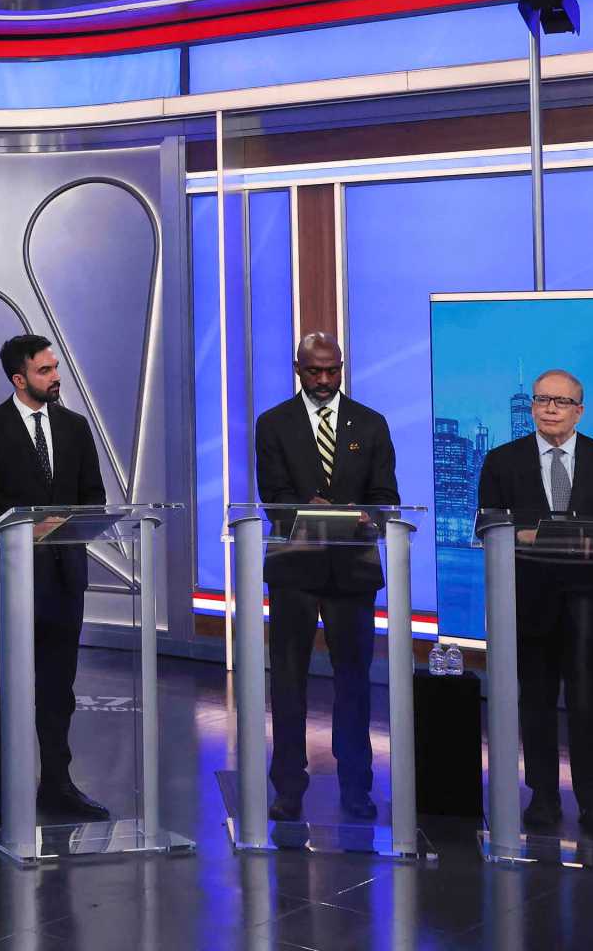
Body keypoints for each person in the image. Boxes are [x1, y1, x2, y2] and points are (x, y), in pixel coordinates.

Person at [477, 367, 593, 842]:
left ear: (579, 411)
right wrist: (528, 534)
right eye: (542, 399)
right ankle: (543, 797)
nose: (550, 408)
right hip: (530, 604)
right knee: (537, 707)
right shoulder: (501, 462)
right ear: (532, 406)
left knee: (590, 708)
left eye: (561, 402)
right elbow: (489, 525)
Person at [0, 333, 111, 824]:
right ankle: (4, 787)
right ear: (19, 379)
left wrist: (65, 523)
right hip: (12, 576)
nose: (55, 377)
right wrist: (26, 526)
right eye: (44, 371)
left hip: (66, 574)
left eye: (55, 367)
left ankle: (58, 783)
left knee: (59, 685)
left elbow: (95, 496)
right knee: (9, 683)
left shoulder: (75, 428)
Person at [253, 330, 400, 823]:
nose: (323, 379)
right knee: (289, 682)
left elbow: (386, 497)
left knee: (353, 682)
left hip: (352, 570)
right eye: (313, 371)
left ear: (341, 368)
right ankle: (288, 787)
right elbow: (272, 497)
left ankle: (357, 786)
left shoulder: (372, 424)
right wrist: (305, 510)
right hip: (295, 567)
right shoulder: (273, 424)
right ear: (298, 370)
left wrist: (362, 515)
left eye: (331, 370)